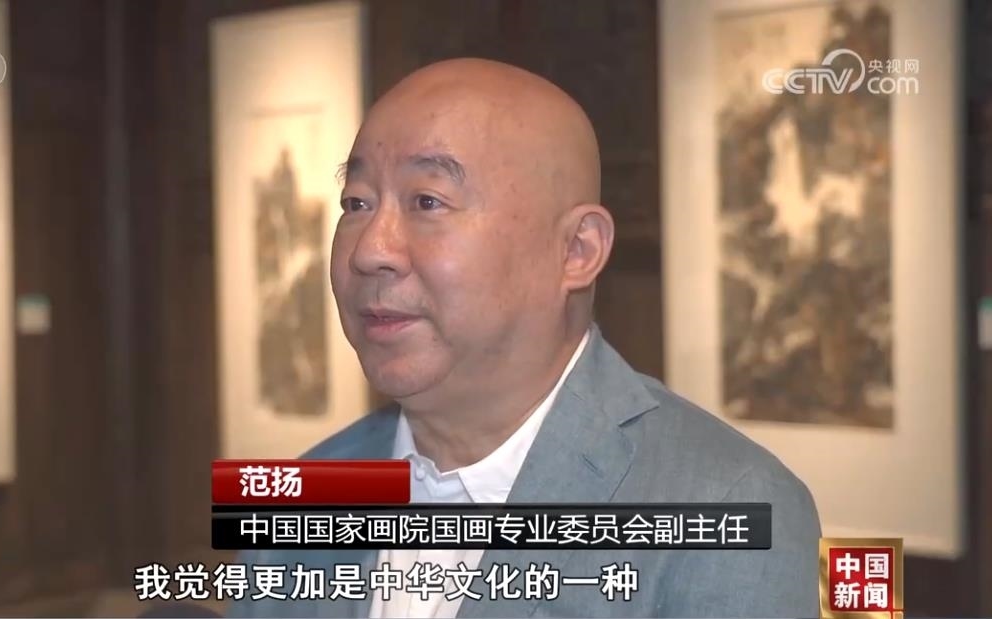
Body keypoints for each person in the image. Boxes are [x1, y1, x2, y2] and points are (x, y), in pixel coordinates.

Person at [227, 58, 820, 618]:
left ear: (576, 250)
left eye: (427, 201)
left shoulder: (727, 508)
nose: (369, 250)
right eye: (356, 203)